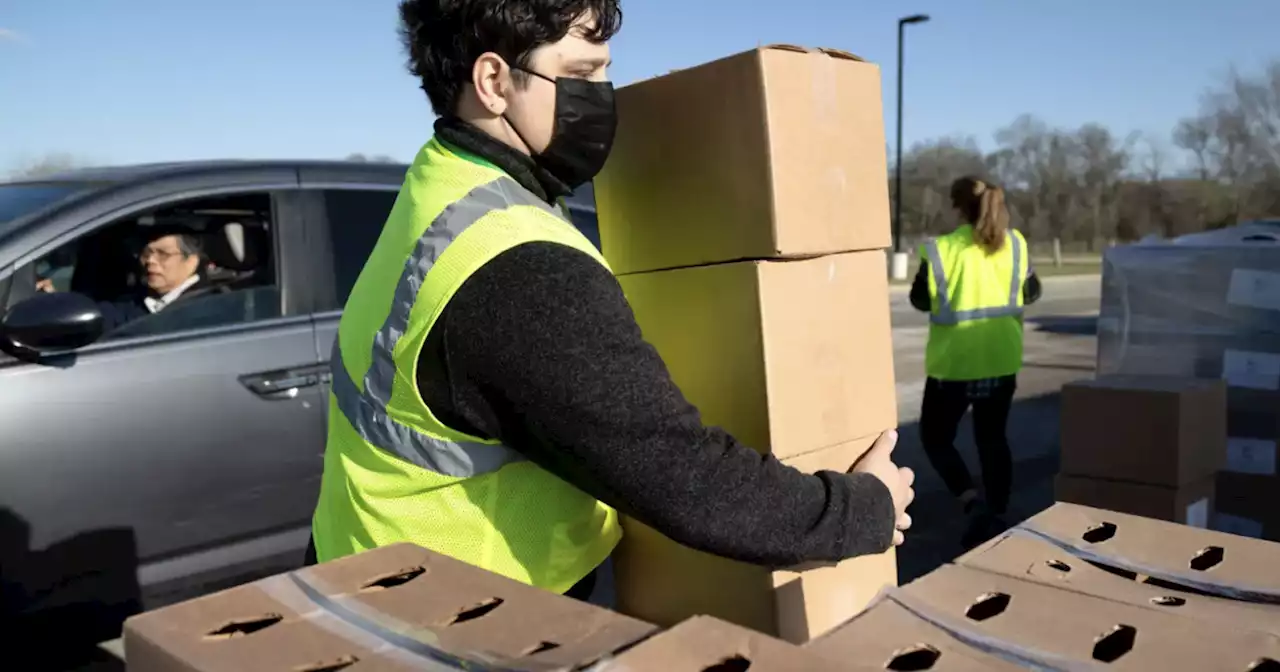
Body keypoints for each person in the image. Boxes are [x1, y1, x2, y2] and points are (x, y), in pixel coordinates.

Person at [307, 0, 915, 602]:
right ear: (494, 81)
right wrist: (863, 509)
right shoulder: (519, 267)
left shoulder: (443, 187)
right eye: (580, 75)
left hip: (379, 582)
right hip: (461, 626)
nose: (603, 95)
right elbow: (685, 479)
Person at [910, 176, 1042, 550]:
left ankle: (970, 500)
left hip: (953, 365)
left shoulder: (940, 250)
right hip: (1000, 360)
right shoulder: (1015, 244)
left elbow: (921, 301)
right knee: (992, 438)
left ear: (957, 207)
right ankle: (997, 511)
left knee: (936, 438)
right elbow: (1032, 292)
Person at [36, 226, 210, 332]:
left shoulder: (213, 306)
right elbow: (99, 318)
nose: (150, 261)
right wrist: (56, 303)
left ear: (192, 262)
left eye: (163, 254)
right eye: (146, 253)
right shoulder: (138, 301)